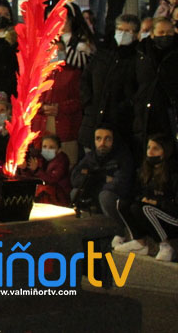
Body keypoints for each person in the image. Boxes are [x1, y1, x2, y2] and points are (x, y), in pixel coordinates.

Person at [35, 2, 95, 166]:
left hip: (67, 121)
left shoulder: (82, 44)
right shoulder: (42, 45)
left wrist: (62, 51)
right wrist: (40, 106)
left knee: (66, 163)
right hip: (43, 121)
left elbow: (82, 88)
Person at [79, 14, 140, 152]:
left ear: (136, 34)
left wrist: (125, 107)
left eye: (127, 31)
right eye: (120, 29)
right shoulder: (102, 54)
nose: (122, 34)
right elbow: (85, 80)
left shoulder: (137, 59)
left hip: (121, 125)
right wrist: (88, 103)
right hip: (93, 121)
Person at [114, 134, 178, 262]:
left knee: (146, 209)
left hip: (172, 217)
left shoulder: (173, 172)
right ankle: (139, 242)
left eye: (156, 148)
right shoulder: (145, 170)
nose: (150, 152)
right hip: (152, 213)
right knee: (124, 203)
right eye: (149, 148)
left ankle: (165, 245)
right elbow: (137, 193)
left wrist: (157, 202)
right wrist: (143, 199)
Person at [71, 124, 134, 239]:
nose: (102, 143)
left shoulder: (123, 157)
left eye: (107, 139)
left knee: (105, 196)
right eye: (98, 139)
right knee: (76, 193)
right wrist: (101, 178)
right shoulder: (91, 157)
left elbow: (121, 183)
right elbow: (75, 178)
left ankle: (119, 232)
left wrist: (92, 179)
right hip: (96, 192)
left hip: (116, 198)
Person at [131, 17, 178, 155]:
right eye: (161, 32)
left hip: (170, 114)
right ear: (152, 34)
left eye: (169, 33)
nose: (165, 36)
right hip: (144, 113)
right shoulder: (141, 53)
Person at [20, 134, 72, 206]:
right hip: (44, 196)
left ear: (59, 150)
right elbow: (32, 178)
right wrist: (25, 168)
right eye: (44, 146)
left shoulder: (62, 160)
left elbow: (52, 180)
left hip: (59, 197)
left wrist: (36, 170)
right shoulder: (41, 158)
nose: (47, 150)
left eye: (51, 147)